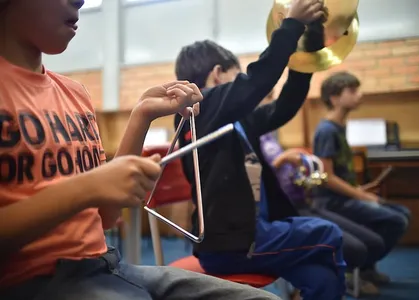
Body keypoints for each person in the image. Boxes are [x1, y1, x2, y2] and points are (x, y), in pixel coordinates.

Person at [0, 1, 282, 300]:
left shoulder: (74, 94)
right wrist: (85, 187)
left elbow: (106, 217)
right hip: (34, 282)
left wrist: (142, 115)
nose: (80, 1)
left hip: (106, 266)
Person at [174, 1, 347, 299]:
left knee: (321, 277)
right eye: (235, 75)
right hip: (233, 243)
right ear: (218, 74)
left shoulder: (233, 119)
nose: (241, 85)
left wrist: (307, 51)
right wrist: (291, 25)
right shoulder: (198, 109)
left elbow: (285, 106)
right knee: (329, 233)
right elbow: (257, 80)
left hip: (257, 234)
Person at [311, 71, 411, 285]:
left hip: (345, 197)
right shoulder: (326, 130)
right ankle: (356, 268)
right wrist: (361, 196)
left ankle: (365, 267)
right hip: (332, 202)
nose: (360, 95)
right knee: (396, 220)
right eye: (353, 91)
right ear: (335, 98)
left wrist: (361, 190)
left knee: (402, 212)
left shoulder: (340, 126)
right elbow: (326, 177)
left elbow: (340, 173)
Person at [260, 134, 384, 295]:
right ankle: (343, 278)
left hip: (305, 204)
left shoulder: (270, 136)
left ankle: (347, 276)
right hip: (283, 212)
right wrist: (283, 159)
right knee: (351, 249)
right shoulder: (247, 132)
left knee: (369, 243)